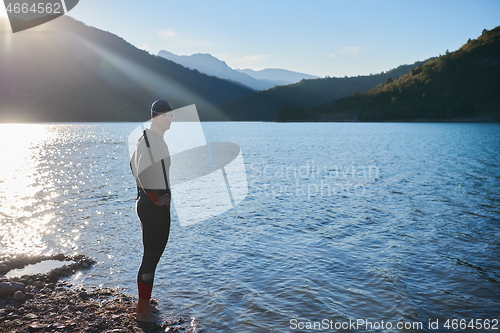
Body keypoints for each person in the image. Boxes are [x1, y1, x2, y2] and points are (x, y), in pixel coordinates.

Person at [130, 100, 175, 323]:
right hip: (152, 208)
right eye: (166, 115)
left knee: (152, 257)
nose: (170, 120)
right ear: (156, 116)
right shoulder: (150, 141)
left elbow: (132, 165)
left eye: (172, 116)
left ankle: (145, 305)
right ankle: (143, 313)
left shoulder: (148, 139)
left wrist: (148, 196)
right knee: (150, 258)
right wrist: (155, 199)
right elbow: (143, 172)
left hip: (149, 204)